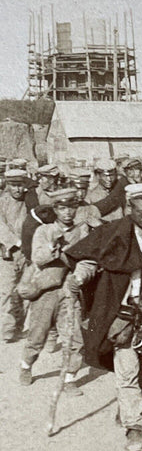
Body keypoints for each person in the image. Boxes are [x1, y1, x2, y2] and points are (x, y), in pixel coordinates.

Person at [66, 183, 142, 451]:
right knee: (127, 367)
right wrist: (79, 276)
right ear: (129, 208)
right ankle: (134, 425)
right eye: (141, 211)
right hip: (123, 310)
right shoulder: (114, 231)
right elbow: (90, 258)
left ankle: (127, 406)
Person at [19, 188, 89, 395]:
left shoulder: (82, 231)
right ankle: (26, 365)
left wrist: (79, 275)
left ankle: (69, 377)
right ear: (55, 210)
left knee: (74, 337)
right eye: (62, 208)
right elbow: (38, 258)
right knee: (37, 335)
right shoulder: (45, 230)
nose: (67, 212)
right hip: (45, 289)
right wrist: (55, 248)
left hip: (69, 288)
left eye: (72, 207)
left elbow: (86, 258)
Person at [0, 169, 30, 342]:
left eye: (20, 185)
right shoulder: (2, 202)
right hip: (8, 253)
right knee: (6, 291)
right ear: (7, 184)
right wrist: (16, 242)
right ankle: (6, 329)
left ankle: (19, 326)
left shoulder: (29, 201)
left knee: (25, 289)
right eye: (14, 185)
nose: (18, 190)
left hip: (27, 253)